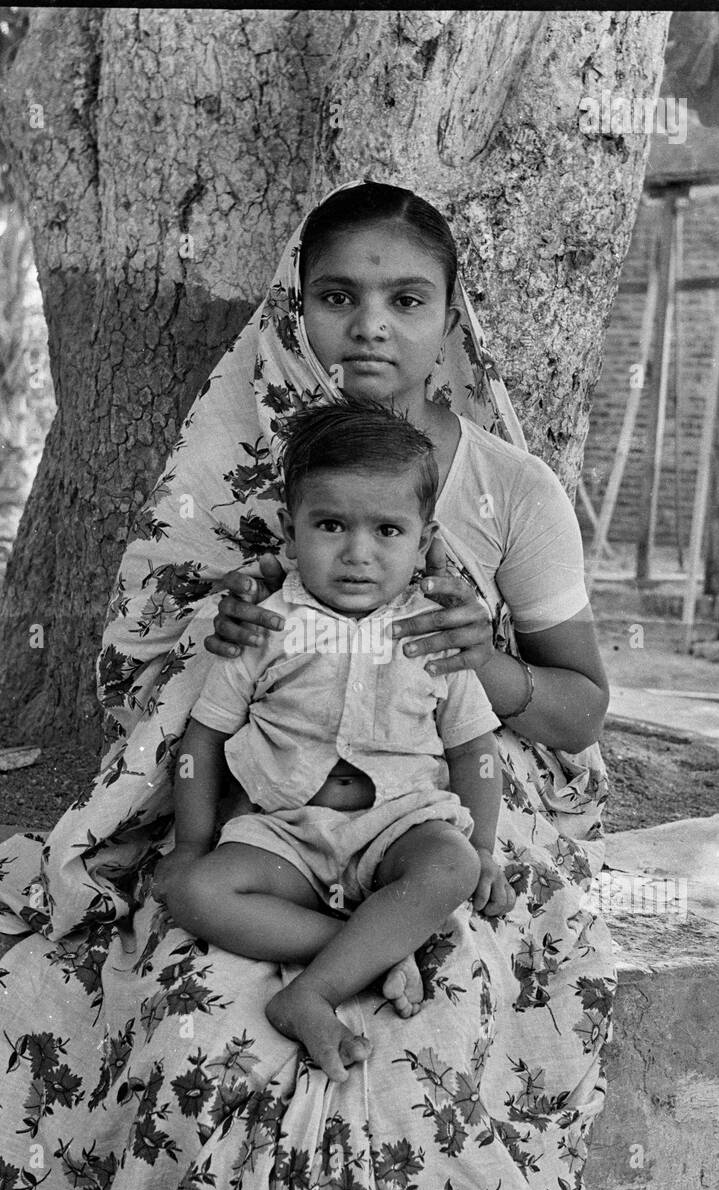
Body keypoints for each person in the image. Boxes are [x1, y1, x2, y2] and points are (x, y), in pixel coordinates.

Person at [0, 179, 616, 1190]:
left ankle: (376, 982)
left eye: (407, 298)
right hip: (272, 804)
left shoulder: (507, 486)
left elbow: (581, 701)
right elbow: (140, 661)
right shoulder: (241, 464)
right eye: (339, 295)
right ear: (296, 307)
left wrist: (480, 662)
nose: (371, 325)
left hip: (437, 798)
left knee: (431, 1050)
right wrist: (224, 620)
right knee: (193, 1023)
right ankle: (337, 972)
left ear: (453, 317)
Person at [159, 397, 514, 1084]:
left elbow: (475, 750)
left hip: (397, 829)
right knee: (198, 892)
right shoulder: (263, 626)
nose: (358, 552)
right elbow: (200, 741)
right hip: (284, 836)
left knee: (453, 868)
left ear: (423, 538)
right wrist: (191, 846)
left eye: (387, 529)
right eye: (330, 525)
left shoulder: (433, 633)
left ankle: (310, 992)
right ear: (291, 536)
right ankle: (373, 948)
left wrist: (483, 849)